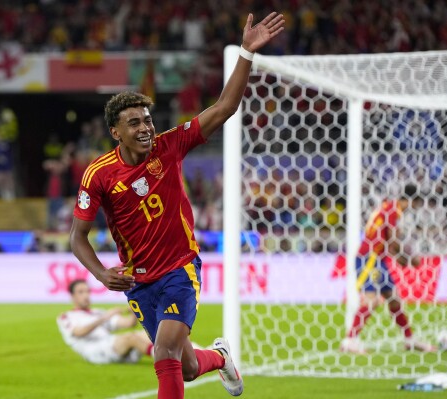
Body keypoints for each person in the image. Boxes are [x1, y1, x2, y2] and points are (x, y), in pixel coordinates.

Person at [70, 12, 285, 398]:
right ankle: (220, 358)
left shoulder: (169, 146)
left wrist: (247, 55)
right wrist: (102, 275)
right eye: (134, 122)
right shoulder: (98, 175)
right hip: (138, 281)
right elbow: (77, 237)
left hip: (179, 269)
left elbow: (223, 108)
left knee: (163, 351)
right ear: (115, 132)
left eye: (148, 120)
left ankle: (213, 357)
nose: (145, 128)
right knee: (184, 368)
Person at [340, 184, 436, 354]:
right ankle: (350, 340)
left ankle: (409, 339)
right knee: (372, 300)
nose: (415, 209)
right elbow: (392, 240)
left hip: (379, 260)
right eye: (417, 204)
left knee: (394, 299)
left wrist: (399, 257)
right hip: (369, 259)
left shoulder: (389, 207)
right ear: (413, 201)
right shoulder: (393, 210)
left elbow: (387, 239)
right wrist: (407, 258)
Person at [57, 279, 154, 365]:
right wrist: (104, 317)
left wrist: (134, 310)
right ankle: (162, 358)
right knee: (131, 338)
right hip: (94, 351)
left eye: (87, 291)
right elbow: (79, 332)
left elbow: (129, 324)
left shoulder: (97, 312)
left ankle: (164, 356)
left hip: (111, 344)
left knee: (148, 333)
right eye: (81, 292)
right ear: (72, 296)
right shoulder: (66, 317)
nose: (86, 295)